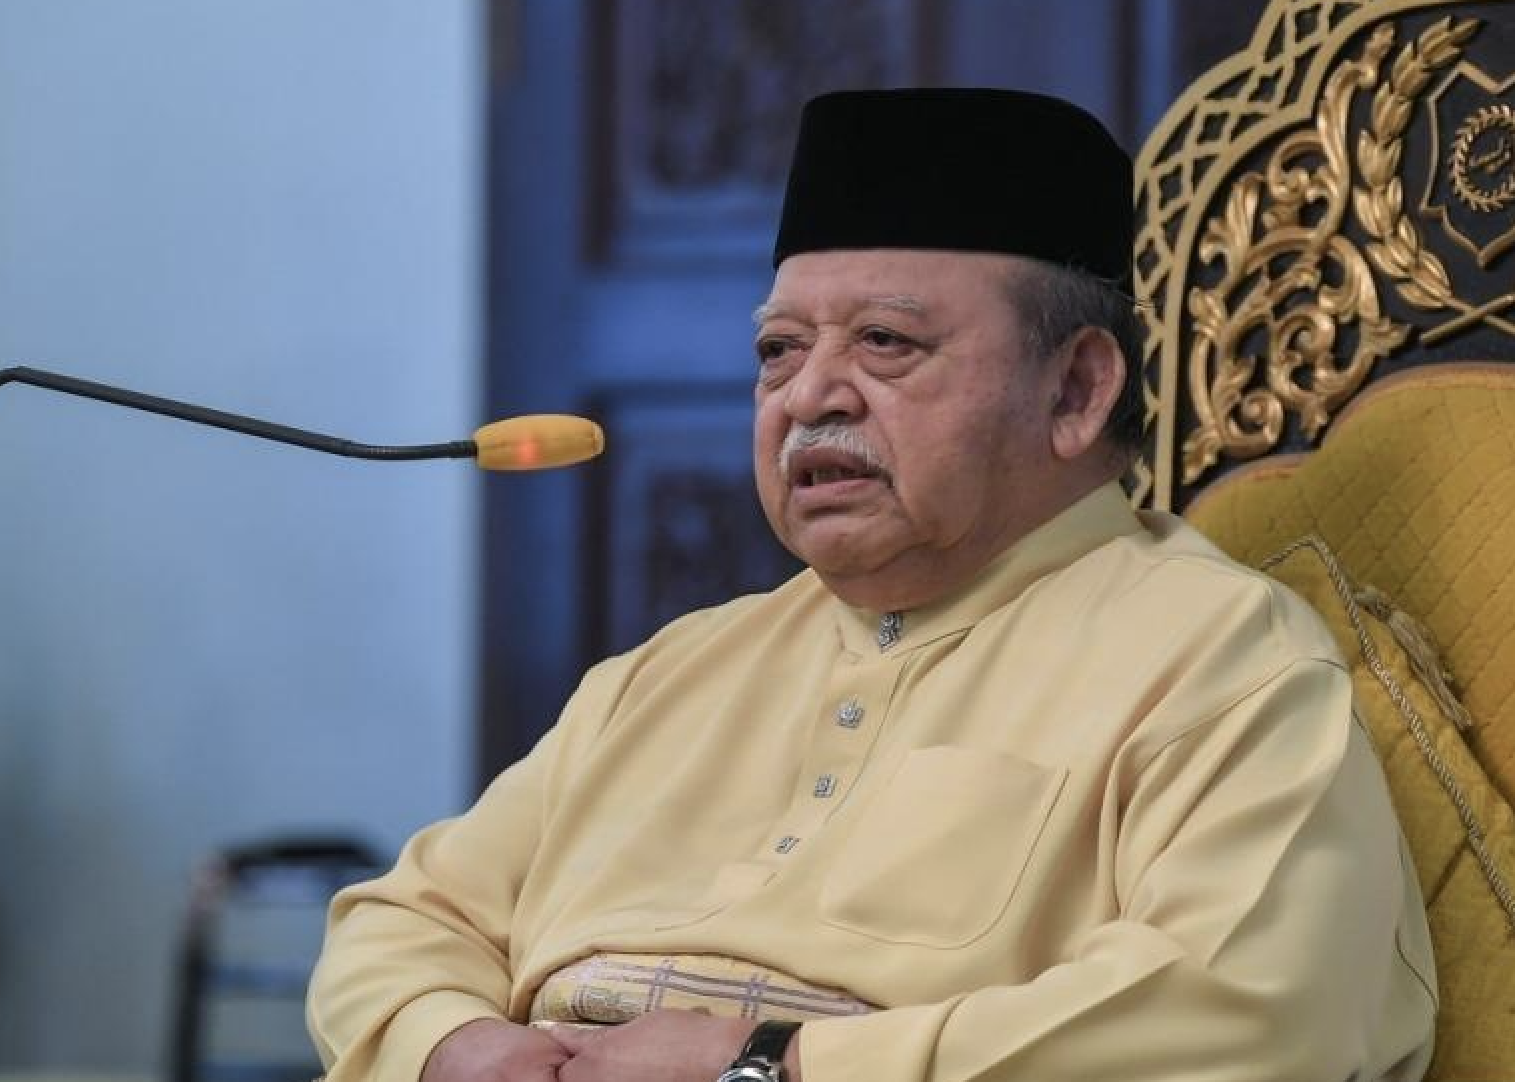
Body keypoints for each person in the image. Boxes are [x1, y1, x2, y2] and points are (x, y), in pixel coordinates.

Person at [308, 88, 1437, 1082]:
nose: (809, 397)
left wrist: (777, 1065)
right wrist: (451, 1044)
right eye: (778, 351)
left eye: (886, 343)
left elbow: (1254, 1013)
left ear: (1076, 392)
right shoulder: (672, 670)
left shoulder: (1219, 658)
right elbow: (402, 923)